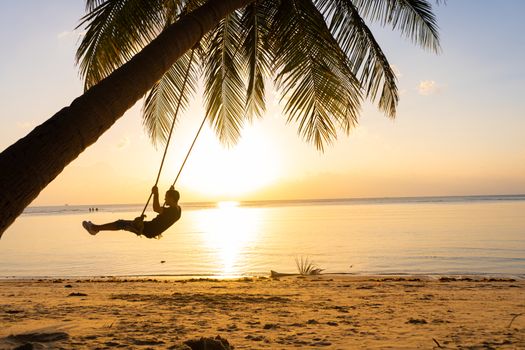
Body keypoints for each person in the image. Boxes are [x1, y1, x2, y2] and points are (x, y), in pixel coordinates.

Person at [82, 186, 181, 239]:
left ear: (172, 198)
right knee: (121, 223)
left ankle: (95, 229)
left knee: (120, 224)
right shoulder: (178, 210)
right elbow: (167, 209)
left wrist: (156, 194)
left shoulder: (171, 211)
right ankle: (96, 228)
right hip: (150, 228)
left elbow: (156, 208)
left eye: (166, 197)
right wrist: (172, 190)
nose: (164, 199)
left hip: (147, 229)